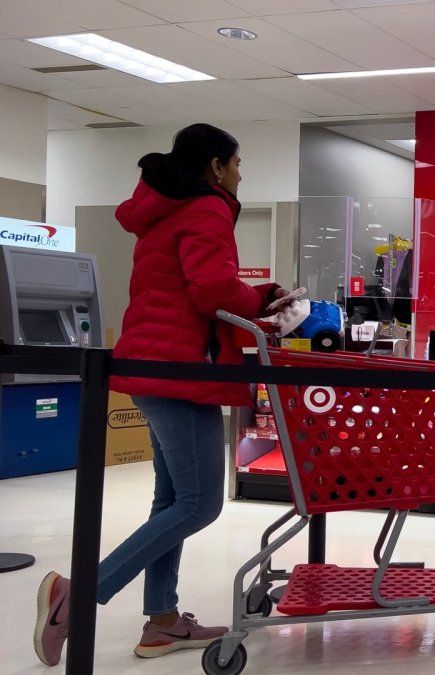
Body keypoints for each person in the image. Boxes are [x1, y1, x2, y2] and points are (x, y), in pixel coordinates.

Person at [34, 124, 289, 666]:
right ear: (216, 166)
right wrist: (265, 300)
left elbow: (185, 283)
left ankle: (163, 621)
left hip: (154, 363)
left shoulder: (163, 209)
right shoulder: (208, 207)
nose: (240, 175)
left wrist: (257, 296)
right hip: (182, 369)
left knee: (171, 500)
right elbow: (211, 288)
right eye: (237, 164)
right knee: (199, 504)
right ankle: (76, 595)